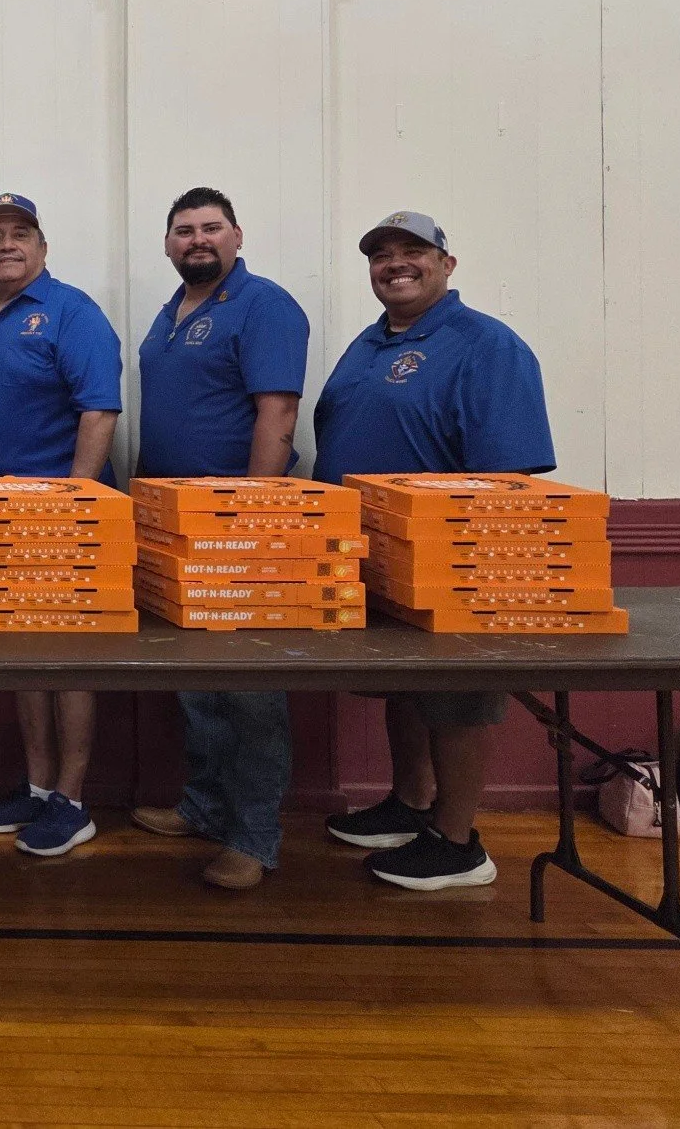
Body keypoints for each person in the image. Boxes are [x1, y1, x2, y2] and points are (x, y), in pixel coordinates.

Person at [315, 211, 555, 890]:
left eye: (414, 251)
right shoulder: (368, 344)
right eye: (382, 254)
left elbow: (510, 475)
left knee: (455, 699)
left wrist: (469, 561)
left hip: (454, 560)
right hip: (377, 555)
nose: (396, 263)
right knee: (406, 688)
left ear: (447, 265)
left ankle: (458, 842)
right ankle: (411, 802)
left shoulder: (486, 345)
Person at [125, 189, 310, 890]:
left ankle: (255, 839)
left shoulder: (264, 305)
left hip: (238, 526)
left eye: (209, 228)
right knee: (198, 684)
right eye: (183, 231)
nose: (196, 240)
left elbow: (279, 411)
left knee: (249, 689)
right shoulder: (172, 314)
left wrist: (253, 516)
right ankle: (204, 807)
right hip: (175, 525)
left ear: (237, 234)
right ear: (168, 245)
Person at [0, 195, 122, 860]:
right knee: (23, 657)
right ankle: (40, 787)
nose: (6, 245)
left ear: (42, 247)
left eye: (20, 235)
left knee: (68, 660)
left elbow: (99, 411)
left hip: (62, 518)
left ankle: (73, 801)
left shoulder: (74, 313)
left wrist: (72, 505)